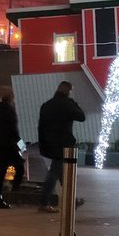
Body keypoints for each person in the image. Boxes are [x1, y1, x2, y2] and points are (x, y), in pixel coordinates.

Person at [37, 80, 86, 212]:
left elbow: (40, 127)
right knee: (54, 172)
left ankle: (72, 200)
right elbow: (82, 116)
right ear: (68, 92)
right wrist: (74, 103)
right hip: (63, 143)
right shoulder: (67, 104)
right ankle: (44, 202)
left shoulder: (46, 105)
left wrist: (42, 143)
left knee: (63, 173)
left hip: (49, 143)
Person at [0, 88, 25, 209]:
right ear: (11, 97)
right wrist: (22, 146)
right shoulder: (9, 111)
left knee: (1, 172)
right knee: (20, 169)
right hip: (9, 146)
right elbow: (13, 130)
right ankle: (13, 193)